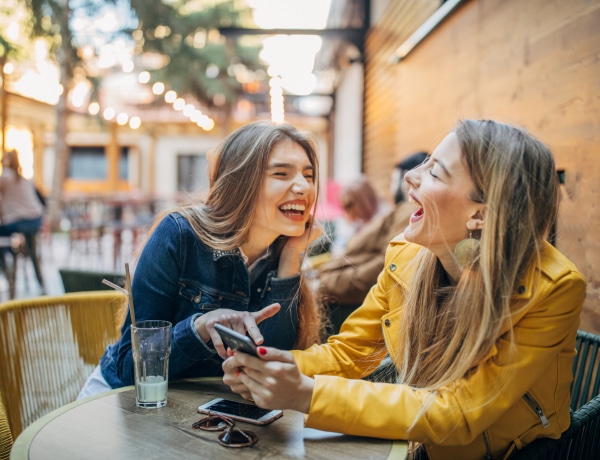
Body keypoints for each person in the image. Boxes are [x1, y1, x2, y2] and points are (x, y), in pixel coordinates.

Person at [222, 119, 586, 460]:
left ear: (480, 215)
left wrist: (307, 394)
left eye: (434, 172)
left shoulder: (554, 290)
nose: (410, 177)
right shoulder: (406, 255)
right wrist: (281, 365)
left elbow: (458, 412)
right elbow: (351, 353)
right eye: (424, 163)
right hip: (421, 445)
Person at [78, 120, 324, 398]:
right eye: (281, 173)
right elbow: (130, 368)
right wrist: (200, 326)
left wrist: (291, 258)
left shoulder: (281, 251)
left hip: (200, 412)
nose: (303, 187)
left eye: (309, 175)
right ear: (239, 181)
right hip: (118, 402)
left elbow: (268, 365)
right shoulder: (180, 234)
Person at [316, 152, 428, 334]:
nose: (395, 185)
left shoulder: (407, 213)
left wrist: (325, 283)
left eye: (393, 180)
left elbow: (384, 266)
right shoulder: (396, 212)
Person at [0, 149, 45, 292]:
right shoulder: (25, 179)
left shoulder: (5, 177)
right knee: (32, 251)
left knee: (3, 241)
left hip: (17, 222)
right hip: (35, 220)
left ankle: (6, 273)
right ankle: (41, 283)